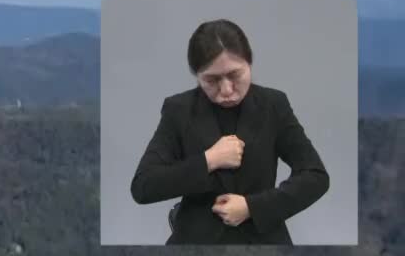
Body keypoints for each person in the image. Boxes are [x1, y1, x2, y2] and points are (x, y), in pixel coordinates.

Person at [128, 19, 329, 244]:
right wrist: (209, 160)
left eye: (235, 75)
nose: (226, 90)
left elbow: (315, 176)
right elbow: (143, 187)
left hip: (264, 244)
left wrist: (252, 207)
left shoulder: (273, 105)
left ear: (249, 64)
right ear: (197, 76)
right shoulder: (179, 110)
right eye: (211, 80)